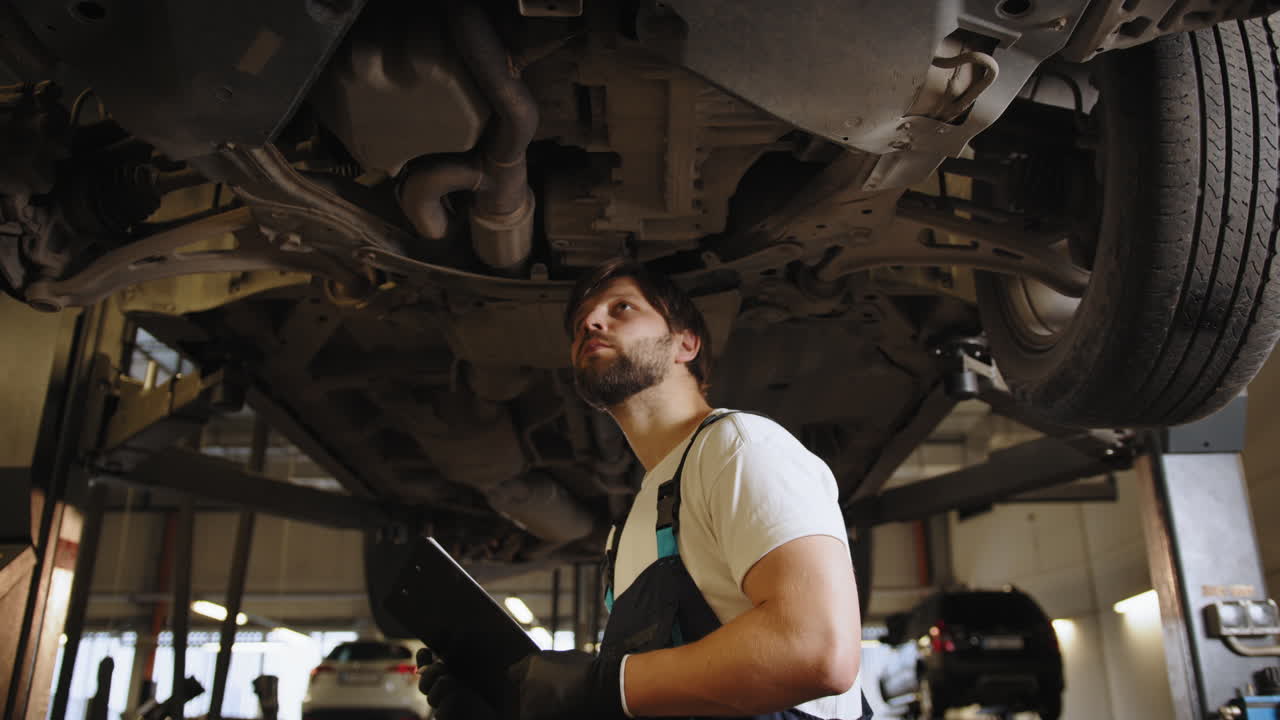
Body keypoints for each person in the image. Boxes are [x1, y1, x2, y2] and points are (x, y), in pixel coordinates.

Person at [418, 258, 870, 720]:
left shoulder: (739, 445)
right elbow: (650, 696)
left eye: (622, 308)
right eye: (580, 324)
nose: (592, 323)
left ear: (686, 344)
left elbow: (817, 649)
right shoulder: (630, 529)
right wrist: (508, 699)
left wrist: (595, 686)